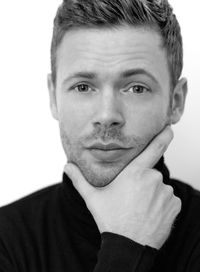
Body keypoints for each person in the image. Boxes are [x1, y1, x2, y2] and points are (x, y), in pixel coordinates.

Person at [0, 0, 199, 271]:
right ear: (53, 97)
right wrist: (127, 247)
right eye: (83, 86)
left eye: (136, 88)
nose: (107, 115)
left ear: (176, 101)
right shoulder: (6, 240)